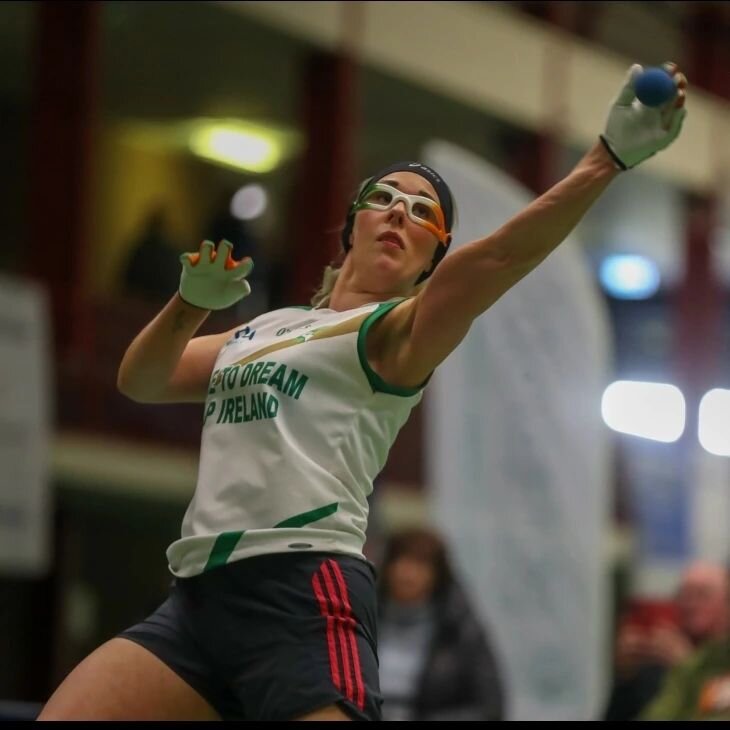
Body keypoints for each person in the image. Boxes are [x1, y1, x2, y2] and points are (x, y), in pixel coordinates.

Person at [38, 62, 687, 721]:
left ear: (431, 259)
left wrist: (603, 161)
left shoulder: (391, 332)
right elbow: (141, 379)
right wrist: (188, 304)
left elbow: (498, 258)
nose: (400, 213)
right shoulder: (264, 328)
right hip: (198, 600)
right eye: (385, 199)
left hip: (302, 593)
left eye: (423, 213)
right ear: (353, 225)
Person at [377, 527, 504, 720]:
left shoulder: (460, 628)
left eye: (419, 564)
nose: (407, 573)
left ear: (437, 574)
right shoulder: (361, 618)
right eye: (401, 561)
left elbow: (490, 707)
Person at [604, 560, 730, 720]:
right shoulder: (658, 661)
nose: (690, 603)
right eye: (684, 595)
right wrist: (625, 677)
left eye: (702, 594)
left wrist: (688, 666)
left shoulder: (708, 663)